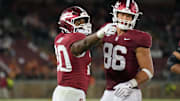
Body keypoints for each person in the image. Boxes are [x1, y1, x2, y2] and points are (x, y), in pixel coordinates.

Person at [52, 6, 116, 101]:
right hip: (71, 92)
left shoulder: (60, 38)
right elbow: (81, 45)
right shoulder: (76, 37)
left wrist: (103, 37)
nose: (84, 24)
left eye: (84, 21)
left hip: (66, 91)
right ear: (67, 23)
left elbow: (87, 43)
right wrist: (100, 33)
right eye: (79, 22)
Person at [100, 0, 154, 101]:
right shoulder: (106, 31)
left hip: (130, 92)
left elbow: (148, 71)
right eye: (122, 15)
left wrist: (130, 84)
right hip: (109, 90)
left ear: (134, 18)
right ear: (115, 14)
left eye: (128, 16)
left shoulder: (139, 38)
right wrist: (99, 34)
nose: (125, 19)